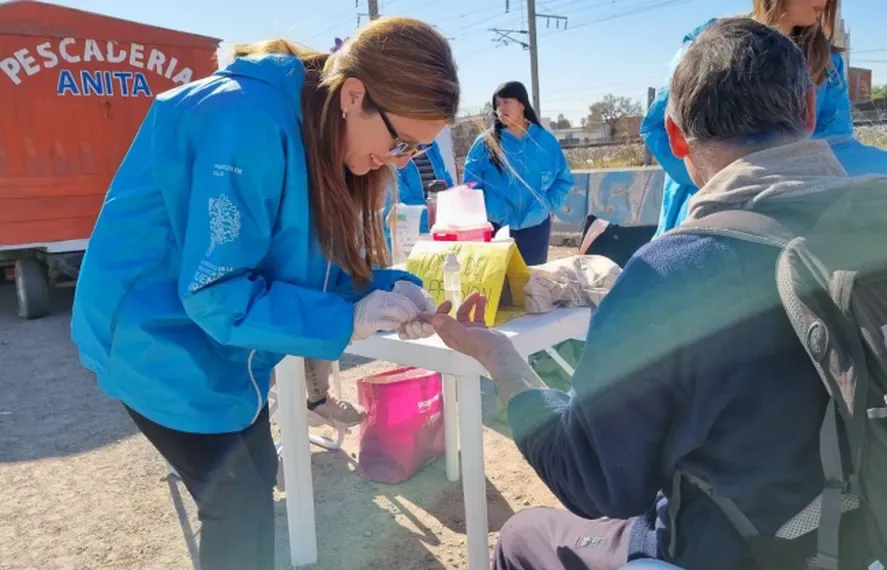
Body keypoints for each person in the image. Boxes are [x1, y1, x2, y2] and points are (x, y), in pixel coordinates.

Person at [425, 18, 872, 570]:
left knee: (522, 535)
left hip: (730, 551)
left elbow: (591, 481)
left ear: (677, 136)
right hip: (865, 535)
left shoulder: (672, 274)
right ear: (809, 112)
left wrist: (499, 354)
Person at [71, 17, 458, 570]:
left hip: (223, 339)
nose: (397, 161)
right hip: (155, 336)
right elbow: (216, 292)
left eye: (414, 152)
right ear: (354, 95)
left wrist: (389, 287)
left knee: (253, 485)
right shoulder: (242, 119)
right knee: (236, 502)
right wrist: (349, 320)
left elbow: (304, 261)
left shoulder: (319, 121)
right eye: (399, 142)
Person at [641, 0, 887, 238]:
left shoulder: (827, 63)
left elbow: (839, 142)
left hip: (789, 210)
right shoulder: (713, 43)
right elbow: (658, 127)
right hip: (709, 208)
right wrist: (726, 177)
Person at [463, 81, 573, 265]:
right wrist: (492, 210)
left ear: (522, 104)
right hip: (496, 227)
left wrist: (545, 205)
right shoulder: (485, 143)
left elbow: (563, 180)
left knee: (534, 284)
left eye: (506, 102)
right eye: (497, 104)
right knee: (499, 286)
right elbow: (471, 186)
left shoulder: (545, 141)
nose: (501, 108)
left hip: (536, 227)